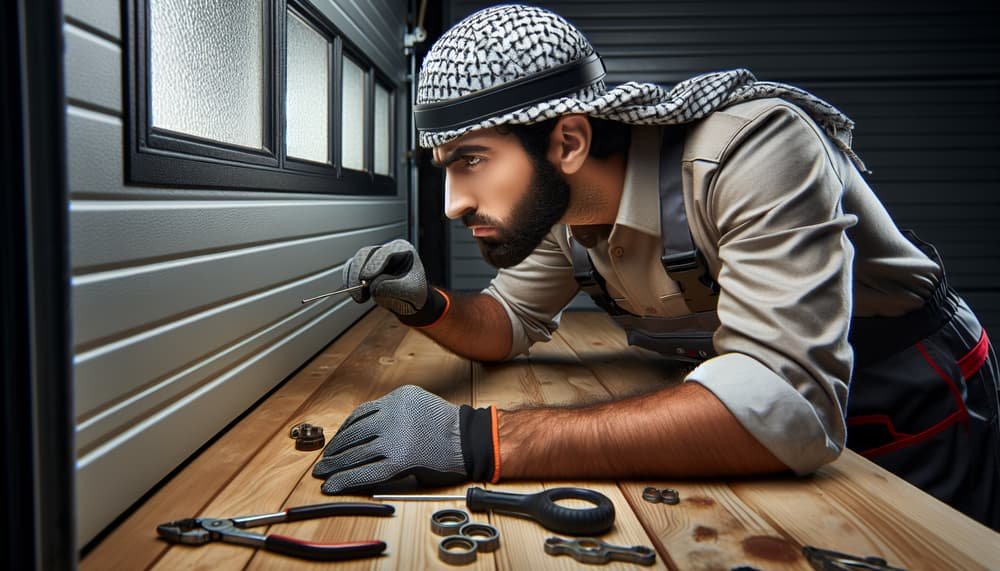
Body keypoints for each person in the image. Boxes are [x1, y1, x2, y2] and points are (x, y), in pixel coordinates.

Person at [312, 4, 999, 528]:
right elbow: (504, 323)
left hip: (913, 389)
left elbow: (787, 406)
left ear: (569, 141)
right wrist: (424, 300)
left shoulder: (754, 149)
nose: (455, 203)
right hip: (758, 411)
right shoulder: (562, 212)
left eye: (472, 160)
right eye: (443, 168)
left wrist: (483, 436)